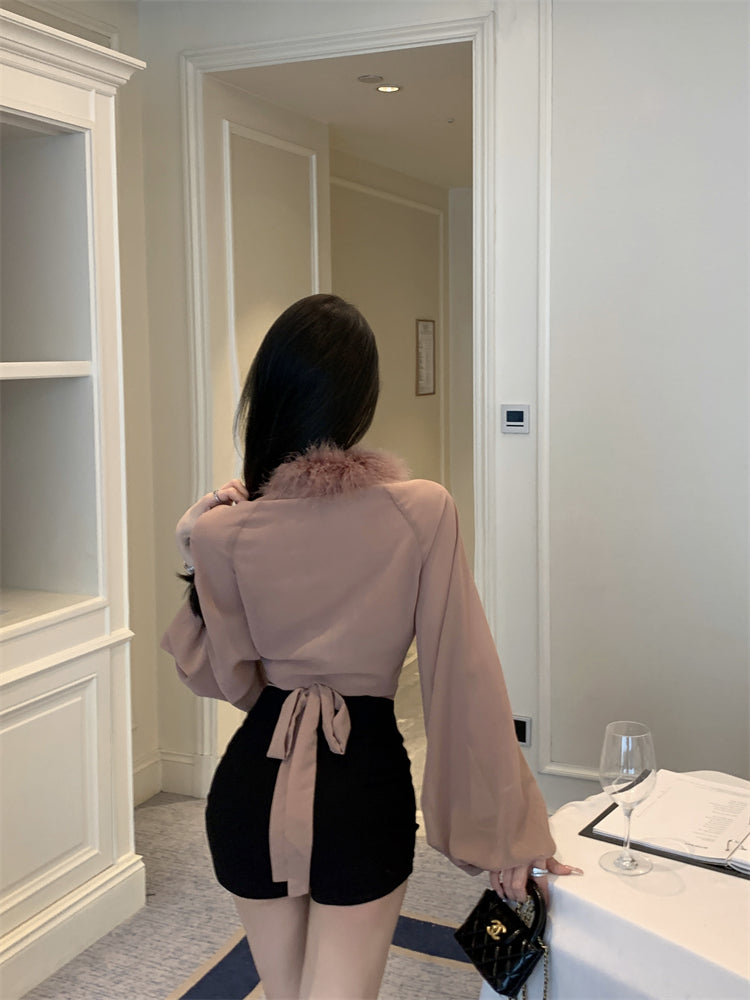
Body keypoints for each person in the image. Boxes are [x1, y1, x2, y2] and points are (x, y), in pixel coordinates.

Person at [161, 293, 577, 1000]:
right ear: (362, 400)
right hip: (363, 786)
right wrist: (509, 835)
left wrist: (193, 549)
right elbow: (463, 678)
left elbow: (226, 681)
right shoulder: (422, 510)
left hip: (251, 789)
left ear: (269, 398)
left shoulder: (223, 530)